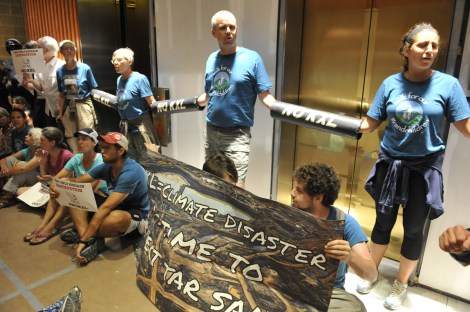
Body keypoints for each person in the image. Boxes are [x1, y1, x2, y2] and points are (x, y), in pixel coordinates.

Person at [357, 23, 470, 310]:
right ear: (406, 49)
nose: (429, 51)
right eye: (422, 45)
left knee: (413, 229)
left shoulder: (448, 85)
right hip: (390, 165)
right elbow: (370, 123)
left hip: (424, 169)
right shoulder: (390, 84)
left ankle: (401, 284)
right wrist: (336, 124)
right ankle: (371, 272)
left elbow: (465, 125)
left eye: (434, 46)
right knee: (382, 223)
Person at [195, 10, 277, 189]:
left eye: (232, 27)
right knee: (210, 181)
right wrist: (188, 103)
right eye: (223, 27)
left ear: (236, 29)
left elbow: (265, 96)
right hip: (211, 131)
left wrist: (283, 109)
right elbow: (209, 94)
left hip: (236, 134)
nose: (228, 31)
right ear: (213, 32)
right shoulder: (211, 59)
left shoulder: (251, 58)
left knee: (236, 187)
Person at [290, 163, 376, 311]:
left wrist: (350, 256)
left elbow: (372, 275)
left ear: (318, 198)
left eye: (299, 190)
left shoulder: (345, 223)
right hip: (287, 283)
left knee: (355, 308)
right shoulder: (287, 215)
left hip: (327, 292)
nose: (292, 193)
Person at [53, 132, 149, 264]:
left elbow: (106, 207)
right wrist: (58, 185)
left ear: (121, 151)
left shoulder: (131, 172)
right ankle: (91, 239)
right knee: (75, 195)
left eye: (107, 148)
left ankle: (85, 236)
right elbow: (77, 181)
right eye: (102, 147)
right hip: (115, 206)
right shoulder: (107, 166)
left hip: (135, 214)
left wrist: (82, 241)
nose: (102, 151)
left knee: (114, 219)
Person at [26, 128, 105, 245]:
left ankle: (50, 227)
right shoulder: (77, 158)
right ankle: (44, 225)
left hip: (99, 197)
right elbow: (57, 178)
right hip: (81, 195)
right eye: (78, 139)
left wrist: (65, 185)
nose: (80, 142)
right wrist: (53, 189)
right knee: (59, 187)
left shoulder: (100, 161)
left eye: (84, 139)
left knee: (68, 191)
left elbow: (90, 188)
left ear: (94, 142)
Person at [111, 47, 158, 166]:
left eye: (119, 60)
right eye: (114, 60)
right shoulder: (118, 79)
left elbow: (151, 102)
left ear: (130, 62)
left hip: (141, 128)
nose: (116, 63)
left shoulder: (139, 79)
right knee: (130, 161)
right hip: (126, 128)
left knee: (148, 162)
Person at [57, 40, 98, 152]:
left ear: (75, 50)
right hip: (68, 107)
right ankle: (77, 159)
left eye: (71, 48)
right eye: (66, 48)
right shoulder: (59, 71)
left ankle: (90, 159)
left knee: (87, 133)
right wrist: (60, 113)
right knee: (71, 136)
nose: (69, 50)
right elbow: (61, 94)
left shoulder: (85, 68)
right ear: (61, 52)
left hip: (83, 105)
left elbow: (93, 88)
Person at [23, 36, 65, 128]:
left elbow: (65, 90)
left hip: (61, 108)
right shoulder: (40, 65)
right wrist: (31, 80)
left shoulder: (61, 65)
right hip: (48, 107)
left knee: (62, 135)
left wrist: (60, 107)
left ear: (45, 50)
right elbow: (41, 87)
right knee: (50, 132)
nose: (36, 50)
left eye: (38, 47)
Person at [0, 127, 41, 208]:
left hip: (39, 181)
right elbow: (3, 160)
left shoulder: (40, 152)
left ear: (36, 140)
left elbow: (24, 168)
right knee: (10, 159)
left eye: (30, 135)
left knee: (22, 166)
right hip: (26, 178)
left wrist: (7, 172)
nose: (26, 136)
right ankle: (12, 192)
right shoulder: (28, 150)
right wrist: (4, 169)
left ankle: (8, 196)